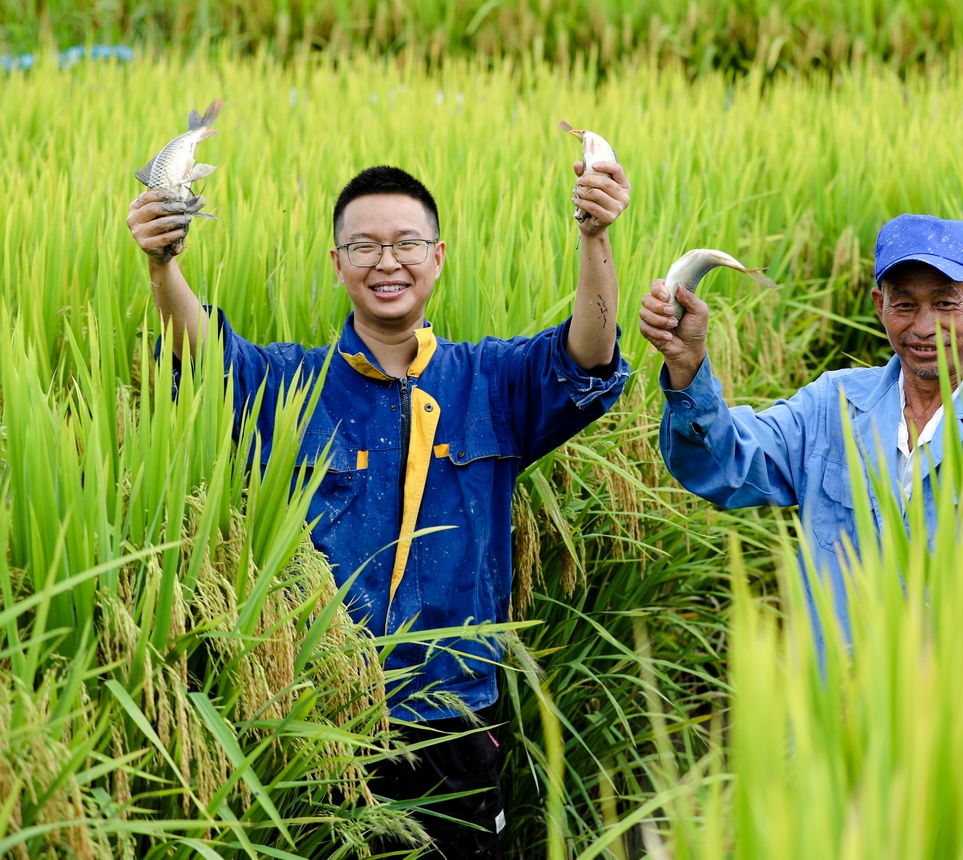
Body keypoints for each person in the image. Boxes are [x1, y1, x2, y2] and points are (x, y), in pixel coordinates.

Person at [127, 156, 631, 857]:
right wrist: (161, 268)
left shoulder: (491, 380)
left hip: (459, 723)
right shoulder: (290, 384)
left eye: (406, 244)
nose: (386, 262)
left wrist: (596, 236)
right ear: (337, 263)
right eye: (365, 246)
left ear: (438, 257)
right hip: (327, 724)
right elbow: (206, 363)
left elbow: (587, 359)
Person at [638, 213, 963, 638]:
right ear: (880, 307)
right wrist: (687, 366)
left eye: (946, 303)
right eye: (905, 304)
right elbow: (721, 467)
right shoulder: (830, 407)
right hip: (843, 716)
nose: (924, 327)